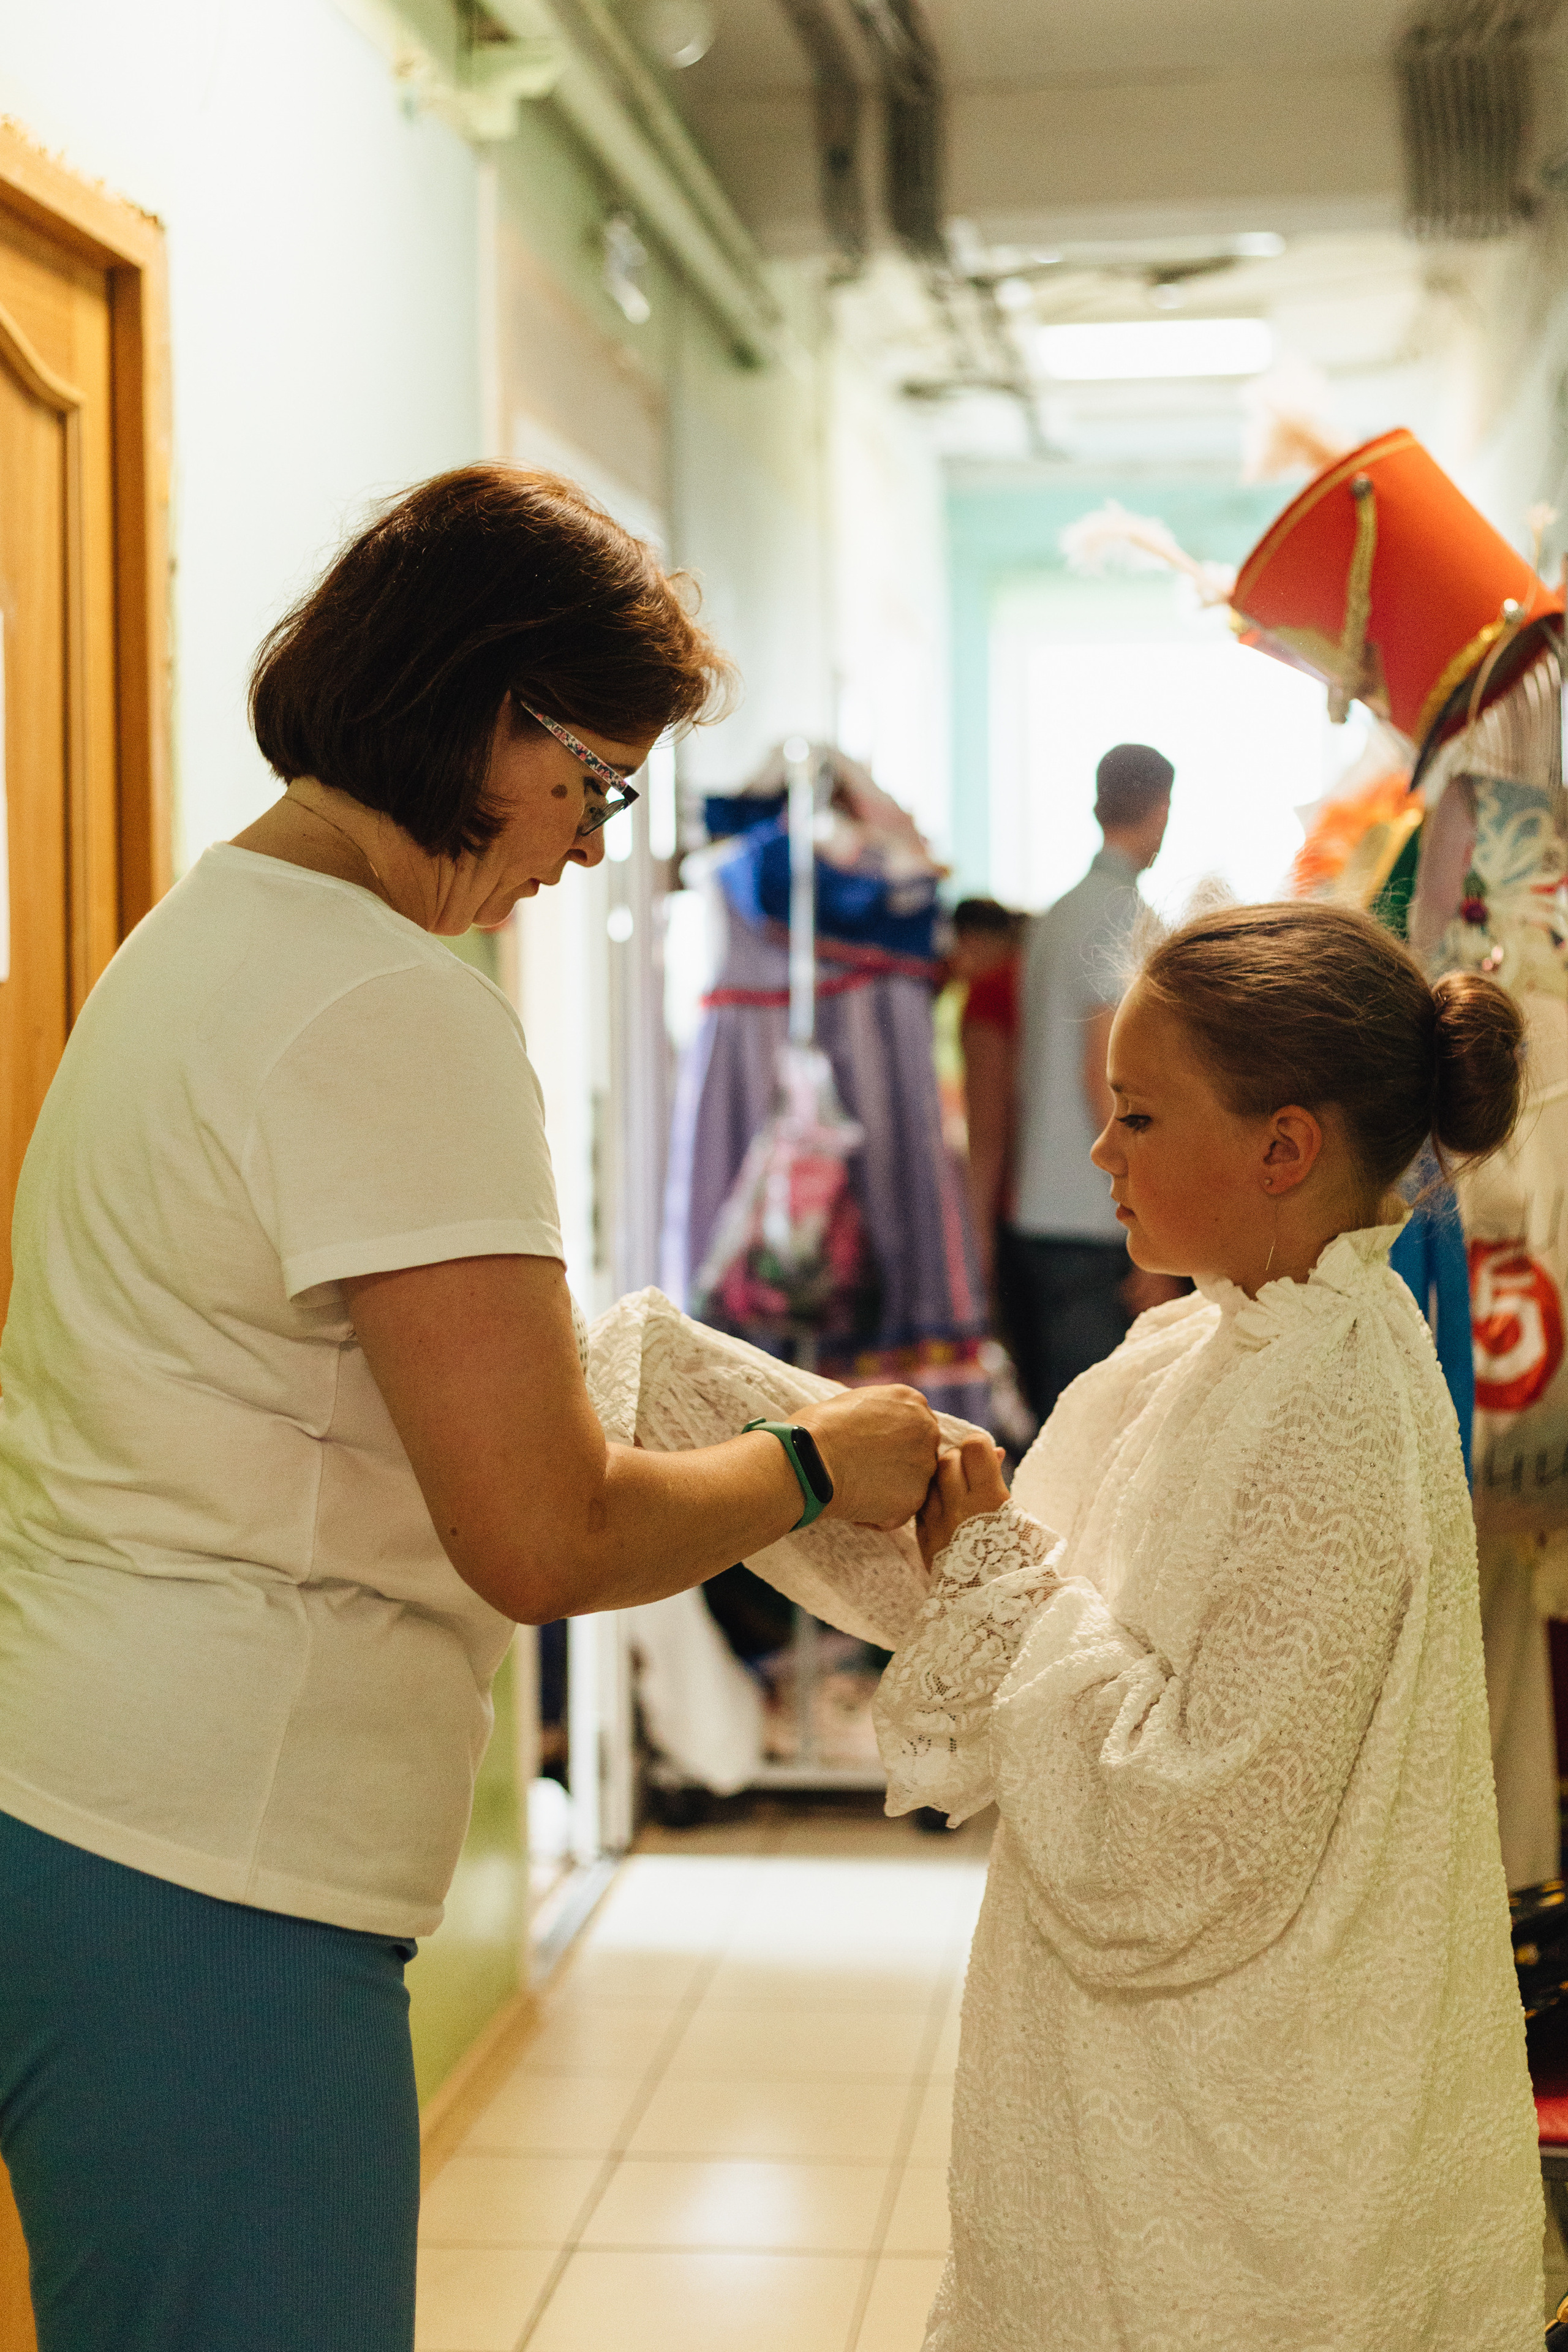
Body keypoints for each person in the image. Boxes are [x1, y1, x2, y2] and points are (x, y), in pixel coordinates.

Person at [0, 465, 941, 2352]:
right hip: (219, 1872)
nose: (595, 845)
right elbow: (543, 1531)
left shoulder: (205, 934)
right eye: (593, 781)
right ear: (480, 710)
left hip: (87, 1808)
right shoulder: (387, 1007)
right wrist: (816, 1459)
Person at [875, 900, 1540, 2350]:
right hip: (1157, 2117)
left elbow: (1180, 1824)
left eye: (1132, 1114)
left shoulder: (1329, 1409)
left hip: (1246, 2170)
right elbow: (1026, 1582)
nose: (1098, 1151)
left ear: (1279, 1146)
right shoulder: (1208, 1341)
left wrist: (989, 1567)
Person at [1005, 741, 1178, 1423]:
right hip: (1095, 1216)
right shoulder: (1122, 916)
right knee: (1101, 1433)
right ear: (1161, 810)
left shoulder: (1055, 916)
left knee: (1063, 1422)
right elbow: (1105, 1074)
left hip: (1039, 1205)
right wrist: (1149, 1225)